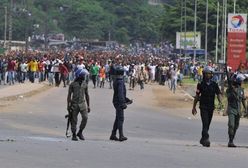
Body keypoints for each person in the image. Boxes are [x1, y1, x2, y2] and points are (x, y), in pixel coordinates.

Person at [192, 66, 222, 147]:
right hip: (203, 107)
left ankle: (202, 138)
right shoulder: (200, 84)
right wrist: (194, 107)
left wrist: (220, 102)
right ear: (204, 74)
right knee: (205, 123)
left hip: (211, 107)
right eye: (207, 73)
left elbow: (218, 93)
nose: (209, 75)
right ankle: (206, 139)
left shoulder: (214, 84)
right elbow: (197, 96)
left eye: (210, 73)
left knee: (207, 124)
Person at [110, 65, 132, 142]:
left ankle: (113, 134)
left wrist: (126, 100)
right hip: (119, 101)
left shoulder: (116, 81)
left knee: (117, 118)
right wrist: (123, 102)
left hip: (116, 100)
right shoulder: (120, 81)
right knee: (121, 118)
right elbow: (120, 93)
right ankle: (121, 135)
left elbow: (120, 93)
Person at [67, 68, 90, 141]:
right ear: (78, 76)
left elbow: (87, 95)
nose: (84, 77)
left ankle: (80, 132)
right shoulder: (72, 84)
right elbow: (69, 95)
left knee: (85, 118)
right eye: (82, 75)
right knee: (74, 120)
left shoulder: (85, 84)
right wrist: (68, 105)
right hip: (74, 104)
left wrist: (89, 106)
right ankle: (74, 134)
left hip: (82, 104)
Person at [226, 73, 246, 147]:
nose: (243, 82)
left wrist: (245, 108)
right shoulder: (230, 89)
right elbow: (228, 97)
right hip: (231, 109)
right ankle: (230, 141)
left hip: (238, 110)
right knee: (231, 125)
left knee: (236, 126)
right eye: (242, 81)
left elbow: (243, 100)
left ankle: (232, 138)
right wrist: (231, 90)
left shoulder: (241, 90)